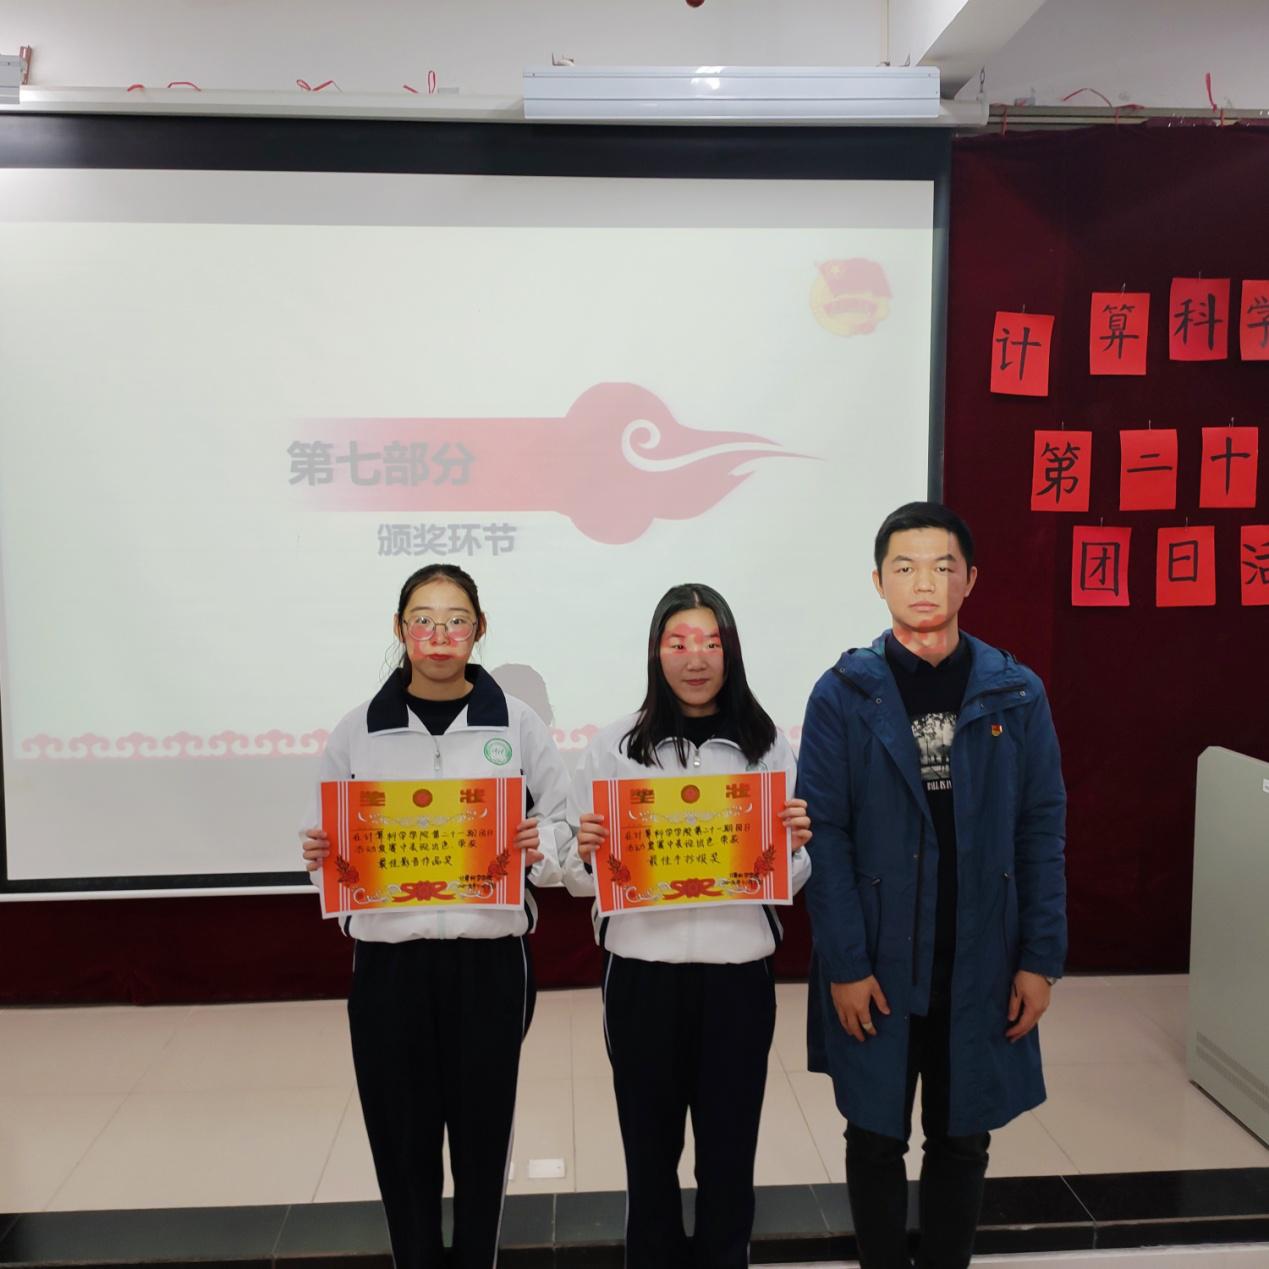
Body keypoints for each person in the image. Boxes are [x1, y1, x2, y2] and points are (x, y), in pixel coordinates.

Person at [797, 503, 1066, 1269]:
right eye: (905, 567)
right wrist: (845, 963)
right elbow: (825, 835)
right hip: (878, 957)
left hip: (979, 954)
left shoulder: (1016, 693)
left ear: (969, 579)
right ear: (877, 580)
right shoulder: (842, 693)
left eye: (943, 566)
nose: (925, 582)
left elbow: (1041, 828)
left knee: (962, 1135)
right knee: (873, 1133)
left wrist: (1039, 958)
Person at [300, 563, 576, 1269]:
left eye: (456, 620)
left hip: (489, 960)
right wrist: (323, 857)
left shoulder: (518, 724)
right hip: (390, 963)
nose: (439, 634)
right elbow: (328, 844)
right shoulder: (357, 731)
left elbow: (565, 829)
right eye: (423, 620)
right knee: (402, 1141)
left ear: (479, 629)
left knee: (483, 1138)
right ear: (399, 629)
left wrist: (538, 846)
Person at [564, 583, 812, 1269]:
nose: (694, 658)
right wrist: (585, 852)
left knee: (729, 1153)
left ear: (731, 651)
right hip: (642, 975)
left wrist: (794, 849)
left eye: (710, 642)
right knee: (649, 1154)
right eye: (678, 642)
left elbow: (790, 877)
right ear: (656, 652)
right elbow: (578, 873)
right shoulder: (615, 746)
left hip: (738, 976)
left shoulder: (766, 744)